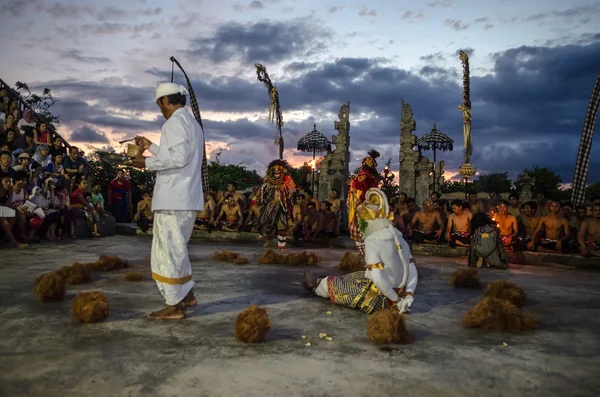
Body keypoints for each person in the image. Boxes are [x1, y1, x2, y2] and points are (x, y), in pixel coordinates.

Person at [131, 82, 204, 320]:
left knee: (167, 253)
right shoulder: (190, 122)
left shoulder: (174, 122)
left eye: (159, 104)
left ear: (165, 101)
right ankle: (187, 295)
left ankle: (174, 305)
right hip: (183, 198)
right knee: (177, 249)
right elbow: (175, 155)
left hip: (174, 199)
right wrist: (150, 147)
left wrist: (146, 162)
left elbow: (178, 158)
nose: (159, 109)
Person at [304, 188, 418, 314]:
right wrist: (408, 295)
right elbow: (412, 270)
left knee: (329, 284)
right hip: (398, 294)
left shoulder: (372, 241)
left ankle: (316, 287)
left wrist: (396, 301)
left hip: (378, 297)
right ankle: (321, 280)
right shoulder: (399, 238)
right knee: (354, 276)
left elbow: (378, 280)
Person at [347, 149, 381, 256]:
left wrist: (353, 183)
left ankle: (367, 255)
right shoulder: (372, 176)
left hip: (363, 204)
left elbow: (359, 188)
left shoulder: (363, 175)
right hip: (373, 202)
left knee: (359, 229)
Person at [256, 159, 295, 251]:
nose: (277, 171)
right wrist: (255, 198)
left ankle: (281, 246)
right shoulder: (268, 180)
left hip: (282, 206)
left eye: (279, 170)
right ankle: (268, 240)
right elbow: (262, 188)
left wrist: (283, 180)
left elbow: (292, 190)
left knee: (281, 225)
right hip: (270, 205)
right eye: (275, 170)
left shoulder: (287, 181)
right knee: (267, 223)